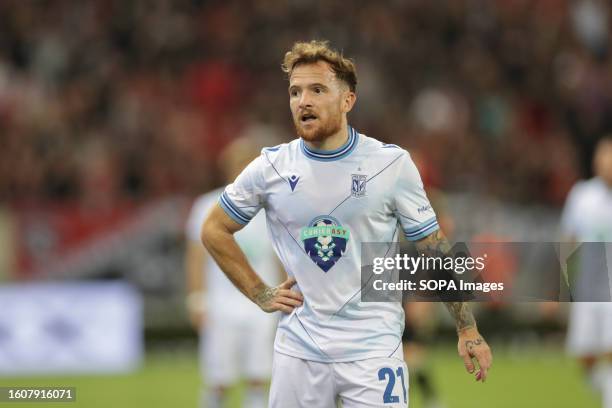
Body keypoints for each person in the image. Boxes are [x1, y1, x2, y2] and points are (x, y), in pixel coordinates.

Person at [201, 40, 492, 407]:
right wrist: (261, 292)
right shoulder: (271, 167)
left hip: (373, 351)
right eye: (295, 91)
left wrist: (467, 327)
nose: (302, 100)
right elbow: (213, 229)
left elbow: (433, 246)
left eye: (317, 90)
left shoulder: (391, 165)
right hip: (300, 352)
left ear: (347, 100)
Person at [185, 129, 283, 408]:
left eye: (247, 162)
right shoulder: (207, 204)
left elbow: (280, 256)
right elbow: (196, 257)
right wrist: (197, 298)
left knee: (259, 377)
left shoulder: (270, 207)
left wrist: (286, 295)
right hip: (221, 306)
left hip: (263, 304)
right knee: (218, 379)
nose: (242, 168)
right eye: (237, 161)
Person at [563, 135, 612, 408]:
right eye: (603, 156)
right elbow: (568, 241)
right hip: (587, 289)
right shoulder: (582, 196)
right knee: (585, 355)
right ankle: (602, 384)